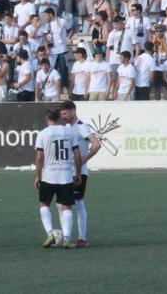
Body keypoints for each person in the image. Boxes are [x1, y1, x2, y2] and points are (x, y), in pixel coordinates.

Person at [34, 109, 81, 249]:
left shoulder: (43, 134)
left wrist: (38, 175)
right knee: (66, 207)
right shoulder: (69, 132)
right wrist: (77, 173)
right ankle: (66, 239)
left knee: (44, 204)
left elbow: (39, 157)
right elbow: (77, 155)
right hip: (65, 175)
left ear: (47, 119)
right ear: (59, 118)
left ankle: (50, 234)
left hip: (49, 175)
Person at [59, 101, 101, 247]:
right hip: (66, 171)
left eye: (65, 113)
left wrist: (83, 160)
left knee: (77, 203)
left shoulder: (82, 127)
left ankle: (81, 238)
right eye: (61, 114)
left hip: (79, 172)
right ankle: (66, 236)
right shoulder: (67, 128)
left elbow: (96, 144)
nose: (63, 116)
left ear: (73, 111)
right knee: (62, 204)